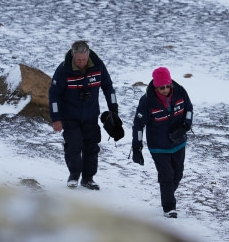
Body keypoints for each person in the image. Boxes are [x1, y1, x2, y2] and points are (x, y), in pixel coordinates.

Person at [49, 40, 119, 190]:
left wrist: (114, 109)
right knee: (73, 145)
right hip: (70, 116)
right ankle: (74, 175)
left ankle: (88, 178)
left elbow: (108, 87)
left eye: (84, 59)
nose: (81, 62)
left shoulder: (98, 66)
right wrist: (56, 118)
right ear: (73, 55)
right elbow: (53, 96)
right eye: (79, 59)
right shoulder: (63, 70)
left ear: (88, 55)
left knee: (91, 146)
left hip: (90, 115)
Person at [131, 67, 193, 218]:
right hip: (158, 146)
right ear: (155, 87)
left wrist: (185, 126)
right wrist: (137, 147)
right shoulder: (147, 101)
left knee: (177, 174)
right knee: (166, 176)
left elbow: (189, 109)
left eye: (167, 86)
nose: (165, 89)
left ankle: (167, 193)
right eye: (161, 87)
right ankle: (169, 207)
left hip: (178, 143)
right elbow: (138, 125)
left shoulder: (180, 92)